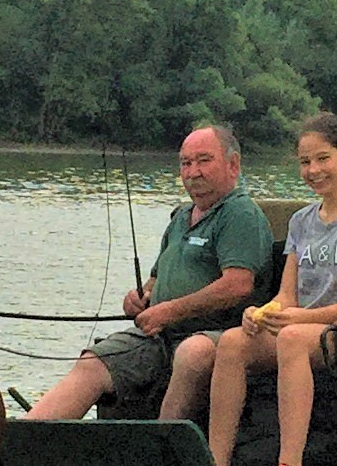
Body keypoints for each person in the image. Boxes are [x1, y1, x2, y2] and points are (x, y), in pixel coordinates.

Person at [204, 112, 337, 466]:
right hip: (306, 328)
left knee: (289, 338)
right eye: (305, 162)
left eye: (323, 158)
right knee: (233, 343)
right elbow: (287, 295)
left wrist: (296, 319)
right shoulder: (301, 222)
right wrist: (261, 311)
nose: (313, 170)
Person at [25, 124, 269, 425]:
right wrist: (140, 298)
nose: (193, 172)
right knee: (92, 362)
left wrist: (170, 311)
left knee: (192, 354)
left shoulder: (240, 213)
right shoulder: (181, 217)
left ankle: (159, 447)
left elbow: (238, 285)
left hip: (216, 335)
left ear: (233, 165)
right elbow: (155, 282)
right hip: (158, 335)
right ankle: (22, 441)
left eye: (204, 160)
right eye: (185, 163)